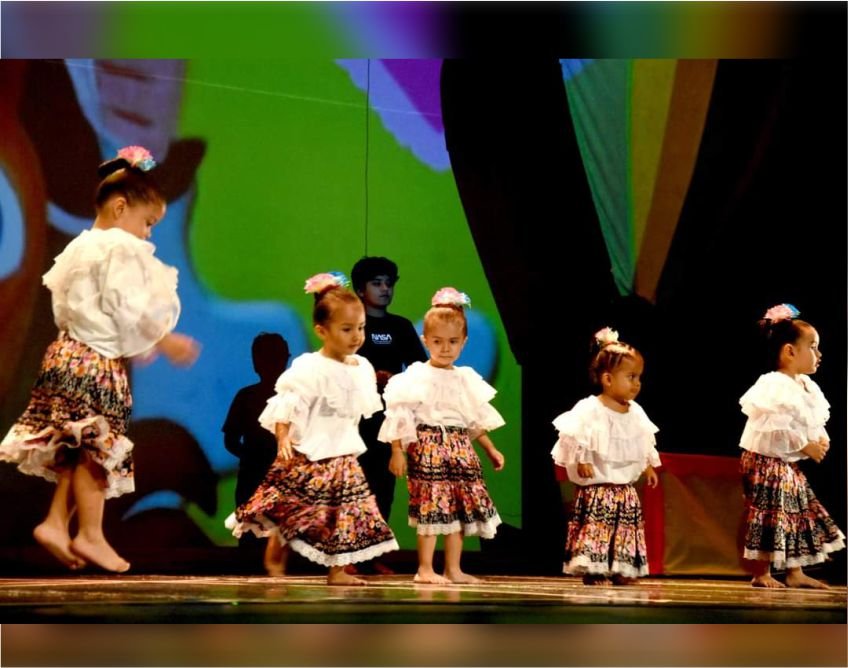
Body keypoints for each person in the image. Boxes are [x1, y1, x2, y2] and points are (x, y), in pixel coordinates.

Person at [0, 145, 200, 573]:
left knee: (80, 447)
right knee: (97, 451)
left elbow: (80, 307)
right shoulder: (117, 247)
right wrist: (162, 339)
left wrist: (132, 343)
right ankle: (90, 533)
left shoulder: (80, 246)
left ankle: (57, 522)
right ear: (120, 207)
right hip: (93, 363)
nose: (148, 235)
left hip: (67, 354)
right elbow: (123, 302)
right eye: (147, 223)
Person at [226, 272, 399, 585]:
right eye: (346, 329)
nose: (356, 336)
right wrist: (283, 439)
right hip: (311, 453)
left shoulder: (361, 367)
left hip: (344, 454)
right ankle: (278, 541)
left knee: (345, 513)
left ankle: (337, 571)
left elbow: (358, 409)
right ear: (322, 330)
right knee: (299, 508)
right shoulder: (309, 367)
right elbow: (286, 406)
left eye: (361, 328)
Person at [380, 287, 505, 584]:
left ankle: (453, 568)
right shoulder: (415, 376)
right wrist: (397, 450)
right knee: (432, 507)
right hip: (428, 445)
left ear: (463, 342)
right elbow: (400, 414)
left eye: (452, 342)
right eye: (437, 341)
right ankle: (425, 568)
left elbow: (472, 419)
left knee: (459, 508)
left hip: (460, 447)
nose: (445, 348)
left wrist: (490, 448)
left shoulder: (465, 378)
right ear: (425, 340)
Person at [738, 304, 845, 589]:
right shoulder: (775, 384)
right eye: (812, 346)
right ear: (789, 351)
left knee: (795, 510)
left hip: (784, 462)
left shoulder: (806, 386)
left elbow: (810, 419)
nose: (819, 354)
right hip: (764, 460)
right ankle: (761, 572)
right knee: (769, 511)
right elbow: (780, 424)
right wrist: (805, 445)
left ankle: (794, 571)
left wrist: (820, 439)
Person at [550, 327, 660, 586]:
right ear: (608, 379)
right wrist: (583, 459)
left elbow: (642, 441)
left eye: (639, 377)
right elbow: (576, 435)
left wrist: (647, 466)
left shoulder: (636, 412)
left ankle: (621, 567)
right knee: (598, 527)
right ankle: (595, 569)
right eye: (630, 377)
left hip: (624, 489)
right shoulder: (590, 408)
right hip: (599, 488)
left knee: (624, 528)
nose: (637, 383)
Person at [350, 256, 428, 574]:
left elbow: (421, 370)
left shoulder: (401, 327)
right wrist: (368, 377)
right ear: (360, 289)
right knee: (355, 487)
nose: (384, 289)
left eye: (388, 283)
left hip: (390, 420)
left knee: (384, 489)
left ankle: (371, 556)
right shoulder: (350, 325)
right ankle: (348, 558)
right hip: (355, 420)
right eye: (376, 283)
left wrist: (395, 379)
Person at [223, 332, 291, 575]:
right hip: (253, 478)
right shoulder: (246, 396)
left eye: (274, 357)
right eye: (265, 357)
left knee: (280, 531)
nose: (270, 363)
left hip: (280, 477)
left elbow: (230, 440)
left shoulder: (292, 398)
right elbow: (231, 439)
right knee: (251, 533)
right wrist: (251, 458)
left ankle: (270, 570)